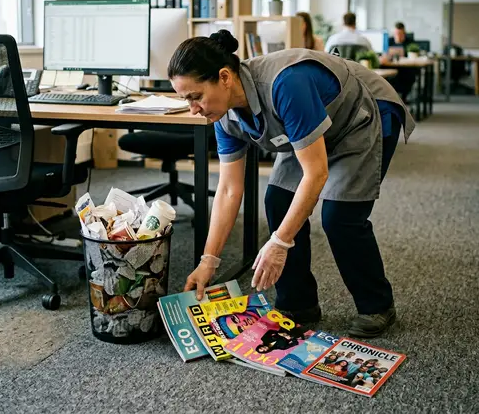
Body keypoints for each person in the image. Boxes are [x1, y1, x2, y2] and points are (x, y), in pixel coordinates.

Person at [168, 29, 415, 338]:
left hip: (361, 113)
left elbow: (316, 174)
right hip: (311, 125)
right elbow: (230, 189)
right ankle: (299, 304)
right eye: (185, 99)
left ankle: (376, 305)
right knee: (277, 200)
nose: (193, 109)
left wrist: (280, 243)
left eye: (195, 96)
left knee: (340, 218)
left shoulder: (285, 84)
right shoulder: (224, 115)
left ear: (224, 77)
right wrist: (209, 260)